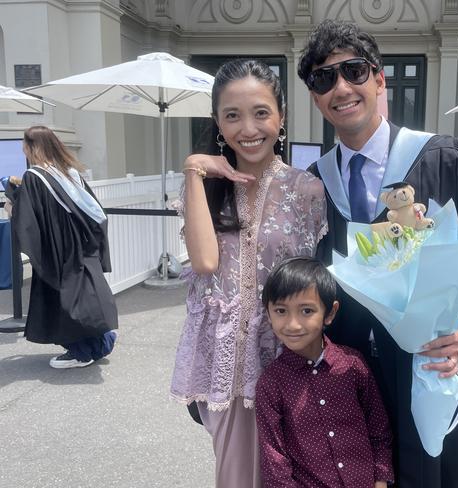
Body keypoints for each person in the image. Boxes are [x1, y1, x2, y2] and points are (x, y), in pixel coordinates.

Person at [298, 20, 458, 488]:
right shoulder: (314, 184)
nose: (341, 87)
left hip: (434, 364)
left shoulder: (450, 160)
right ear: (315, 96)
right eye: (323, 78)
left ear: (379, 78)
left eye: (353, 71)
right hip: (352, 377)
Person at [169, 59, 327, 488]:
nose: (248, 128)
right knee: (236, 474)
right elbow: (203, 263)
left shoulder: (306, 189)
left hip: (286, 351)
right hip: (224, 360)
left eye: (260, 112)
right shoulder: (203, 186)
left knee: (292, 471)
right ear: (217, 122)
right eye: (232, 115)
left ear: (281, 116)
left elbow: (312, 277)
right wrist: (194, 168)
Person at [256, 256, 393, 488]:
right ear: (268, 314)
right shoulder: (271, 383)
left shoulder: (352, 365)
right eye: (281, 310)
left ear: (329, 313)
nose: (292, 324)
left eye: (306, 311)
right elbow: (274, 461)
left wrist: (381, 480)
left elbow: (379, 429)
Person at [9, 126, 117, 369]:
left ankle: (82, 352)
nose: (23, 150)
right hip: (81, 243)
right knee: (82, 297)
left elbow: (31, 220)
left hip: (57, 249)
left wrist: (12, 208)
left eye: (25, 145)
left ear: (33, 146)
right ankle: (101, 341)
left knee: (63, 301)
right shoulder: (68, 172)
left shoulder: (35, 176)